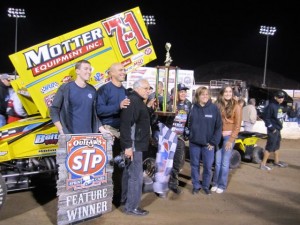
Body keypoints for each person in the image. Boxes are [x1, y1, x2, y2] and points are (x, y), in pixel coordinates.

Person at [96, 62, 130, 205]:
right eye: (120, 70)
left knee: (122, 165)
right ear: (112, 73)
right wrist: (118, 106)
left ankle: (120, 196)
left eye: (124, 70)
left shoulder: (125, 90)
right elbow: (99, 110)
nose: (123, 72)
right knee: (109, 167)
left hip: (123, 133)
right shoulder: (104, 90)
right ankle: (106, 198)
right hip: (108, 133)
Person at [50, 59, 110, 135]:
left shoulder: (92, 90)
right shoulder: (66, 88)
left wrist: (102, 130)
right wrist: (62, 130)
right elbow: (54, 110)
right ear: (77, 71)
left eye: (90, 69)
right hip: (69, 137)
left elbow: (93, 114)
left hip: (89, 138)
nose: (89, 72)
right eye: (85, 69)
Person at [120, 78, 152, 216]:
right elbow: (126, 125)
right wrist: (128, 147)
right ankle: (131, 207)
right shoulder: (133, 101)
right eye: (146, 88)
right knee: (135, 176)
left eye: (149, 88)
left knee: (129, 174)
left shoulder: (137, 101)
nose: (148, 90)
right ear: (137, 88)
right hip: (134, 145)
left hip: (135, 144)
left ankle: (126, 201)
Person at [188, 87, 222, 195]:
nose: (205, 96)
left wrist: (213, 142)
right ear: (198, 96)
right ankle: (196, 185)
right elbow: (187, 124)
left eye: (207, 94)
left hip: (208, 145)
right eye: (202, 94)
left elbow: (219, 127)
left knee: (207, 166)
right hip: (194, 143)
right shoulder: (192, 108)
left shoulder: (214, 108)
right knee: (194, 165)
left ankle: (206, 186)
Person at [161, 83, 192, 195]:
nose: (183, 93)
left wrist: (187, 133)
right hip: (168, 138)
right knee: (165, 162)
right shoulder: (168, 104)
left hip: (180, 139)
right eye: (181, 91)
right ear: (175, 93)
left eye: (185, 91)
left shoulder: (189, 104)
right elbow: (160, 120)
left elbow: (189, 121)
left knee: (177, 163)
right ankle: (162, 185)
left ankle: (173, 183)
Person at [211, 85, 242, 194]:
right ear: (222, 93)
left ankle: (222, 185)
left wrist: (231, 140)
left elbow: (237, 125)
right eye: (226, 91)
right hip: (218, 136)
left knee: (224, 163)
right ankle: (215, 183)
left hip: (229, 137)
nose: (228, 93)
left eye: (230, 91)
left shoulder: (236, 106)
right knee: (217, 162)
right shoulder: (217, 105)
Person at [260, 90, 288, 170]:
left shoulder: (280, 106)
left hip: (278, 130)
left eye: (282, 97)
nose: (281, 99)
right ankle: (263, 164)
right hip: (273, 130)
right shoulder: (271, 106)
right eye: (279, 97)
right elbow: (266, 118)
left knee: (276, 146)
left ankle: (276, 162)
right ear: (275, 97)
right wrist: (272, 128)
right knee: (270, 147)